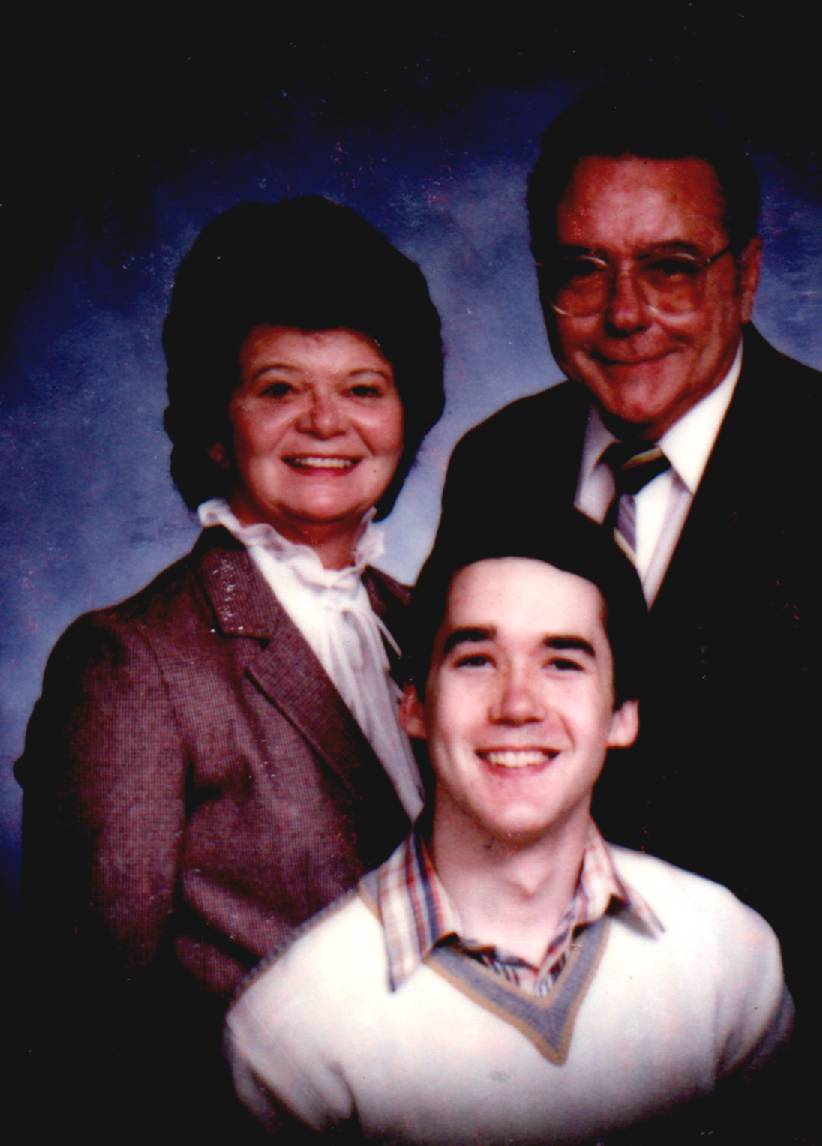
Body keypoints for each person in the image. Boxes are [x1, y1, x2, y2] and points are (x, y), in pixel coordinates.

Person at [15, 197, 444, 1137]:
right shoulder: (130, 665)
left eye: (365, 388)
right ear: (218, 425)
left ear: (407, 419)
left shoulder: (435, 625)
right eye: (279, 389)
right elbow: (90, 1020)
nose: (326, 422)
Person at [227, 512, 792, 1144]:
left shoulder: (730, 956)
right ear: (412, 701)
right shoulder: (285, 1036)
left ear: (622, 714)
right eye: (476, 661)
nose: (518, 705)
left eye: (563, 663)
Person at [437, 84, 821, 1011]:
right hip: (523, 1023)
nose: (625, 313)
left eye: (672, 268)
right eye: (583, 269)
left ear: (749, 276)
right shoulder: (496, 462)